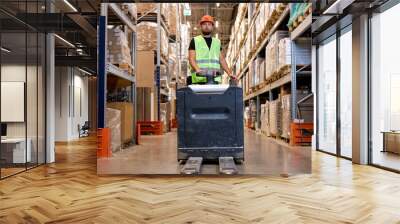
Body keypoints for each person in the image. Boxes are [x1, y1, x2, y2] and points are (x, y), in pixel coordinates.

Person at [188, 15, 236, 85]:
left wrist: (229, 73)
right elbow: (191, 59)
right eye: (204, 24)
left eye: (209, 24)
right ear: (201, 26)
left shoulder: (217, 42)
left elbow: (222, 60)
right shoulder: (195, 40)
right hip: (199, 79)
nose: (207, 26)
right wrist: (197, 69)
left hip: (214, 78)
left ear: (212, 27)